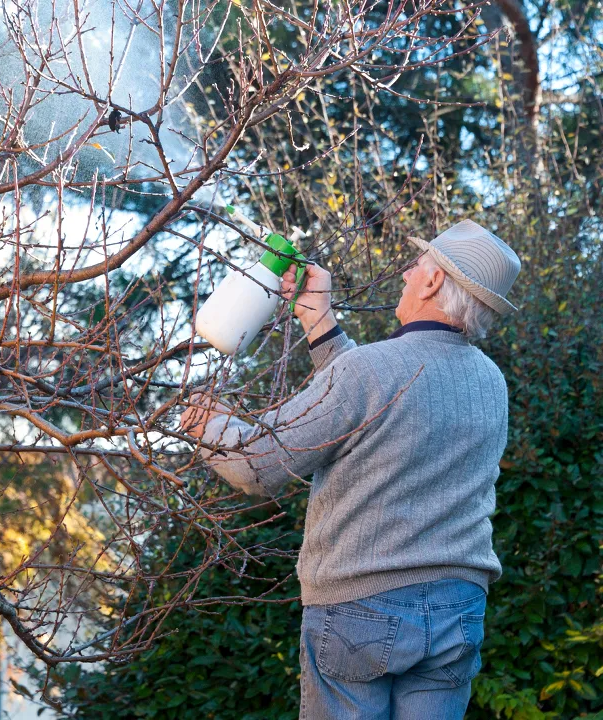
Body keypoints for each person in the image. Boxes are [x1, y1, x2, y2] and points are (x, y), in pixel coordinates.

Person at [180, 219, 521, 719]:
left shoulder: (370, 372)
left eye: (417, 266)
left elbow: (256, 464)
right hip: (458, 609)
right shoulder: (490, 382)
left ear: (432, 283)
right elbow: (380, 405)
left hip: (360, 607)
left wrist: (207, 421)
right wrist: (319, 319)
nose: (406, 274)